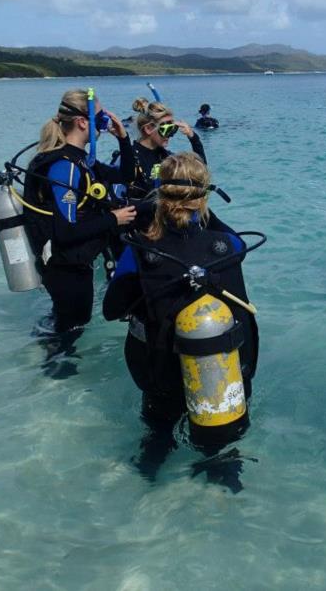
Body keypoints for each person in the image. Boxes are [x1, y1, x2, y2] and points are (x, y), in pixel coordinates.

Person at [103, 152, 259, 491]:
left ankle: (147, 481)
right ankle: (224, 483)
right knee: (219, 446)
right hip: (221, 369)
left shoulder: (139, 250)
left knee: (158, 433)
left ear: (160, 194)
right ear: (204, 197)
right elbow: (239, 242)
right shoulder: (227, 245)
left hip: (159, 370)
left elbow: (110, 309)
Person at [22, 89, 137, 346]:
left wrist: (123, 138)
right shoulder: (64, 166)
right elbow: (65, 232)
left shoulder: (82, 160)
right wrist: (113, 219)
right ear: (83, 122)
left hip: (73, 265)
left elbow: (126, 176)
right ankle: (55, 375)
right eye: (101, 118)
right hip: (65, 269)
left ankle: (49, 362)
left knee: (67, 323)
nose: (105, 125)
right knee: (70, 329)